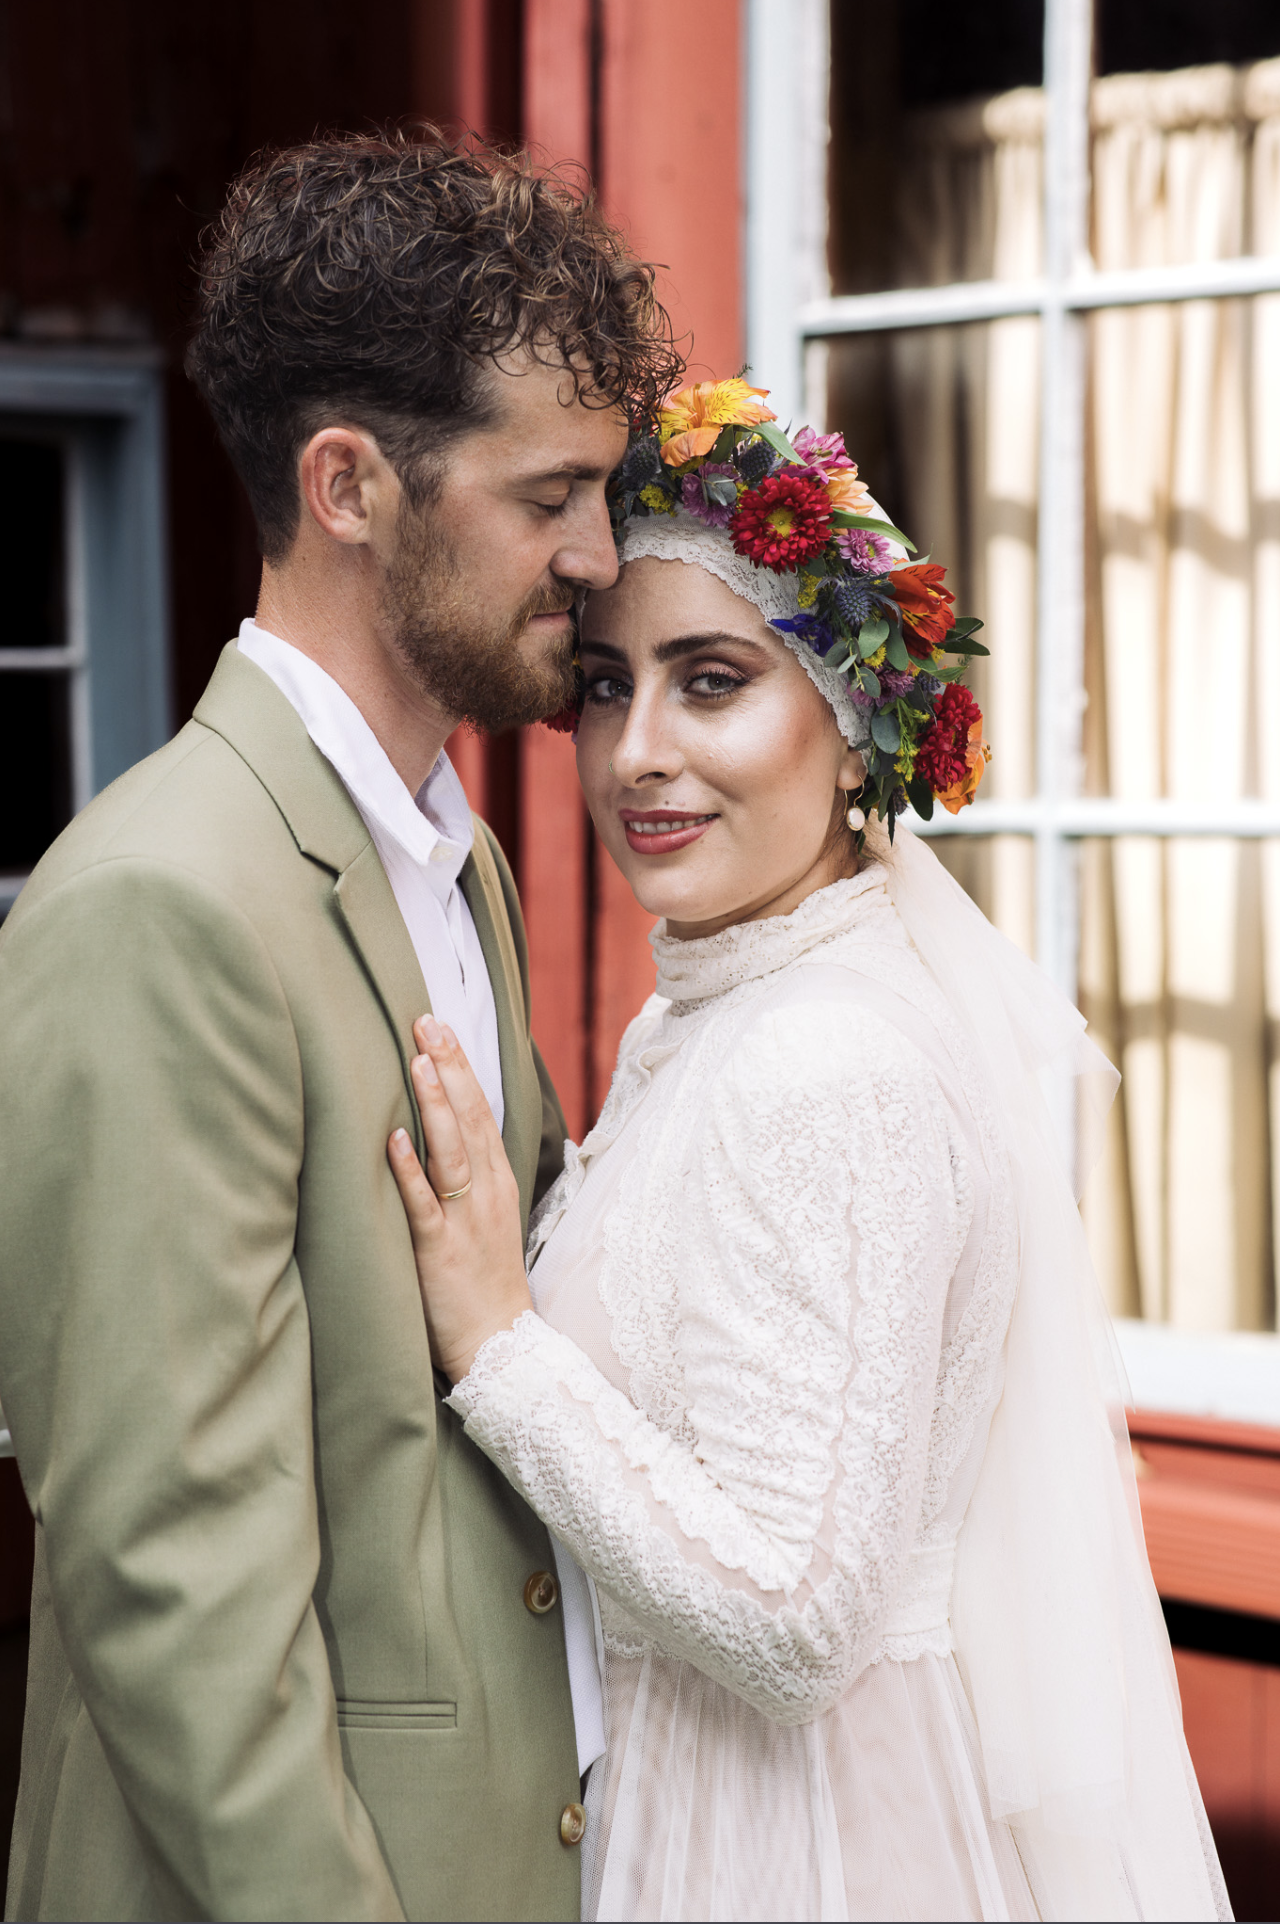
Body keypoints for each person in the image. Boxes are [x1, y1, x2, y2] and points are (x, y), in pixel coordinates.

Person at [388, 382, 1232, 1921]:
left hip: (801, 1847)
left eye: (711, 681)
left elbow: (792, 1614)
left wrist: (497, 1344)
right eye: (602, 685)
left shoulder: (823, 1062)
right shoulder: (723, 1015)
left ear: (854, 738)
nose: (638, 750)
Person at [0, 130, 681, 1922]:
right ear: (349, 484)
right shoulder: (159, 901)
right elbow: (172, 1579)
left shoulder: (456, 866)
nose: (603, 557)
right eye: (551, 499)